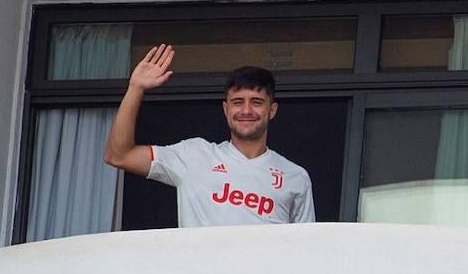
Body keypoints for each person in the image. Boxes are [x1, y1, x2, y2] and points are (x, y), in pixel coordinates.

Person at [103, 45, 315, 226]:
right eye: (238, 102)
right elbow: (118, 155)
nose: (246, 110)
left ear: (272, 110)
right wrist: (136, 88)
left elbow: (307, 249)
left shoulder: (295, 176)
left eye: (257, 102)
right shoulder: (194, 155)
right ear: (225, 109)